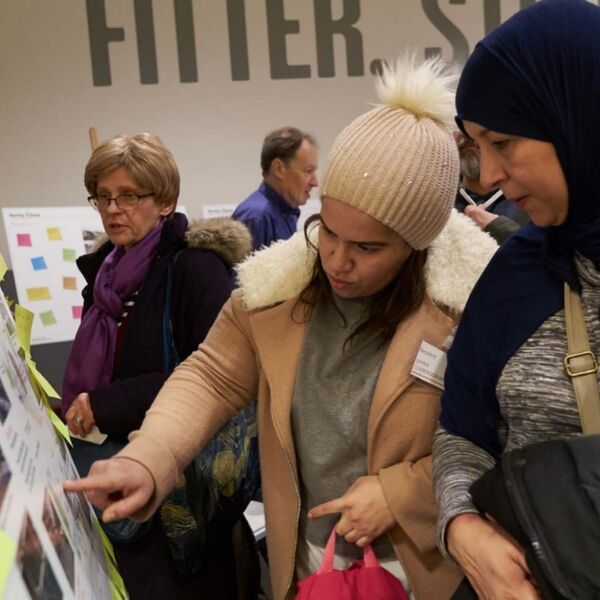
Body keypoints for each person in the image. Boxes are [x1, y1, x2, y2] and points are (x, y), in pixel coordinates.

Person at [64, 57, 497, 600]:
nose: (337, 260)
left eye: (367, 248)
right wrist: (147, 460)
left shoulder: (471, 307)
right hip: (307, 567)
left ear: (418, 245)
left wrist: (401, 492)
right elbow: (210, 377)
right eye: (329, 231)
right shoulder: (276, 292)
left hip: (430, 571)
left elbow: (501, 437)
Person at [432, 1, 600, 599]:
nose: (491, 176)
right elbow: (462, 434)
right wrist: (463, 529)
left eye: (504, 141)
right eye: (479, 147)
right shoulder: (516, 276)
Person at [61, 133, 253, 599]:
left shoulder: (195, 268)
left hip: (182, 494)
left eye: (129, 196)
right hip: (115, 472)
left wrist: (105, 404)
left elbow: (211, 372)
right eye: (103, 196)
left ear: (164, 201)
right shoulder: (105, 271)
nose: (112, 209)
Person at [232, 126, 318, 251]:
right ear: (278, 169)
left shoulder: (287, 212)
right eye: (308, 171)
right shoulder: (257, 217)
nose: (315, 182)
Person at [454, 131, 528, 244]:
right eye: (461, 126)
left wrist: (499, 229)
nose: (467, 135)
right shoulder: (435, 199)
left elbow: (549, 255)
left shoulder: (535, 199)